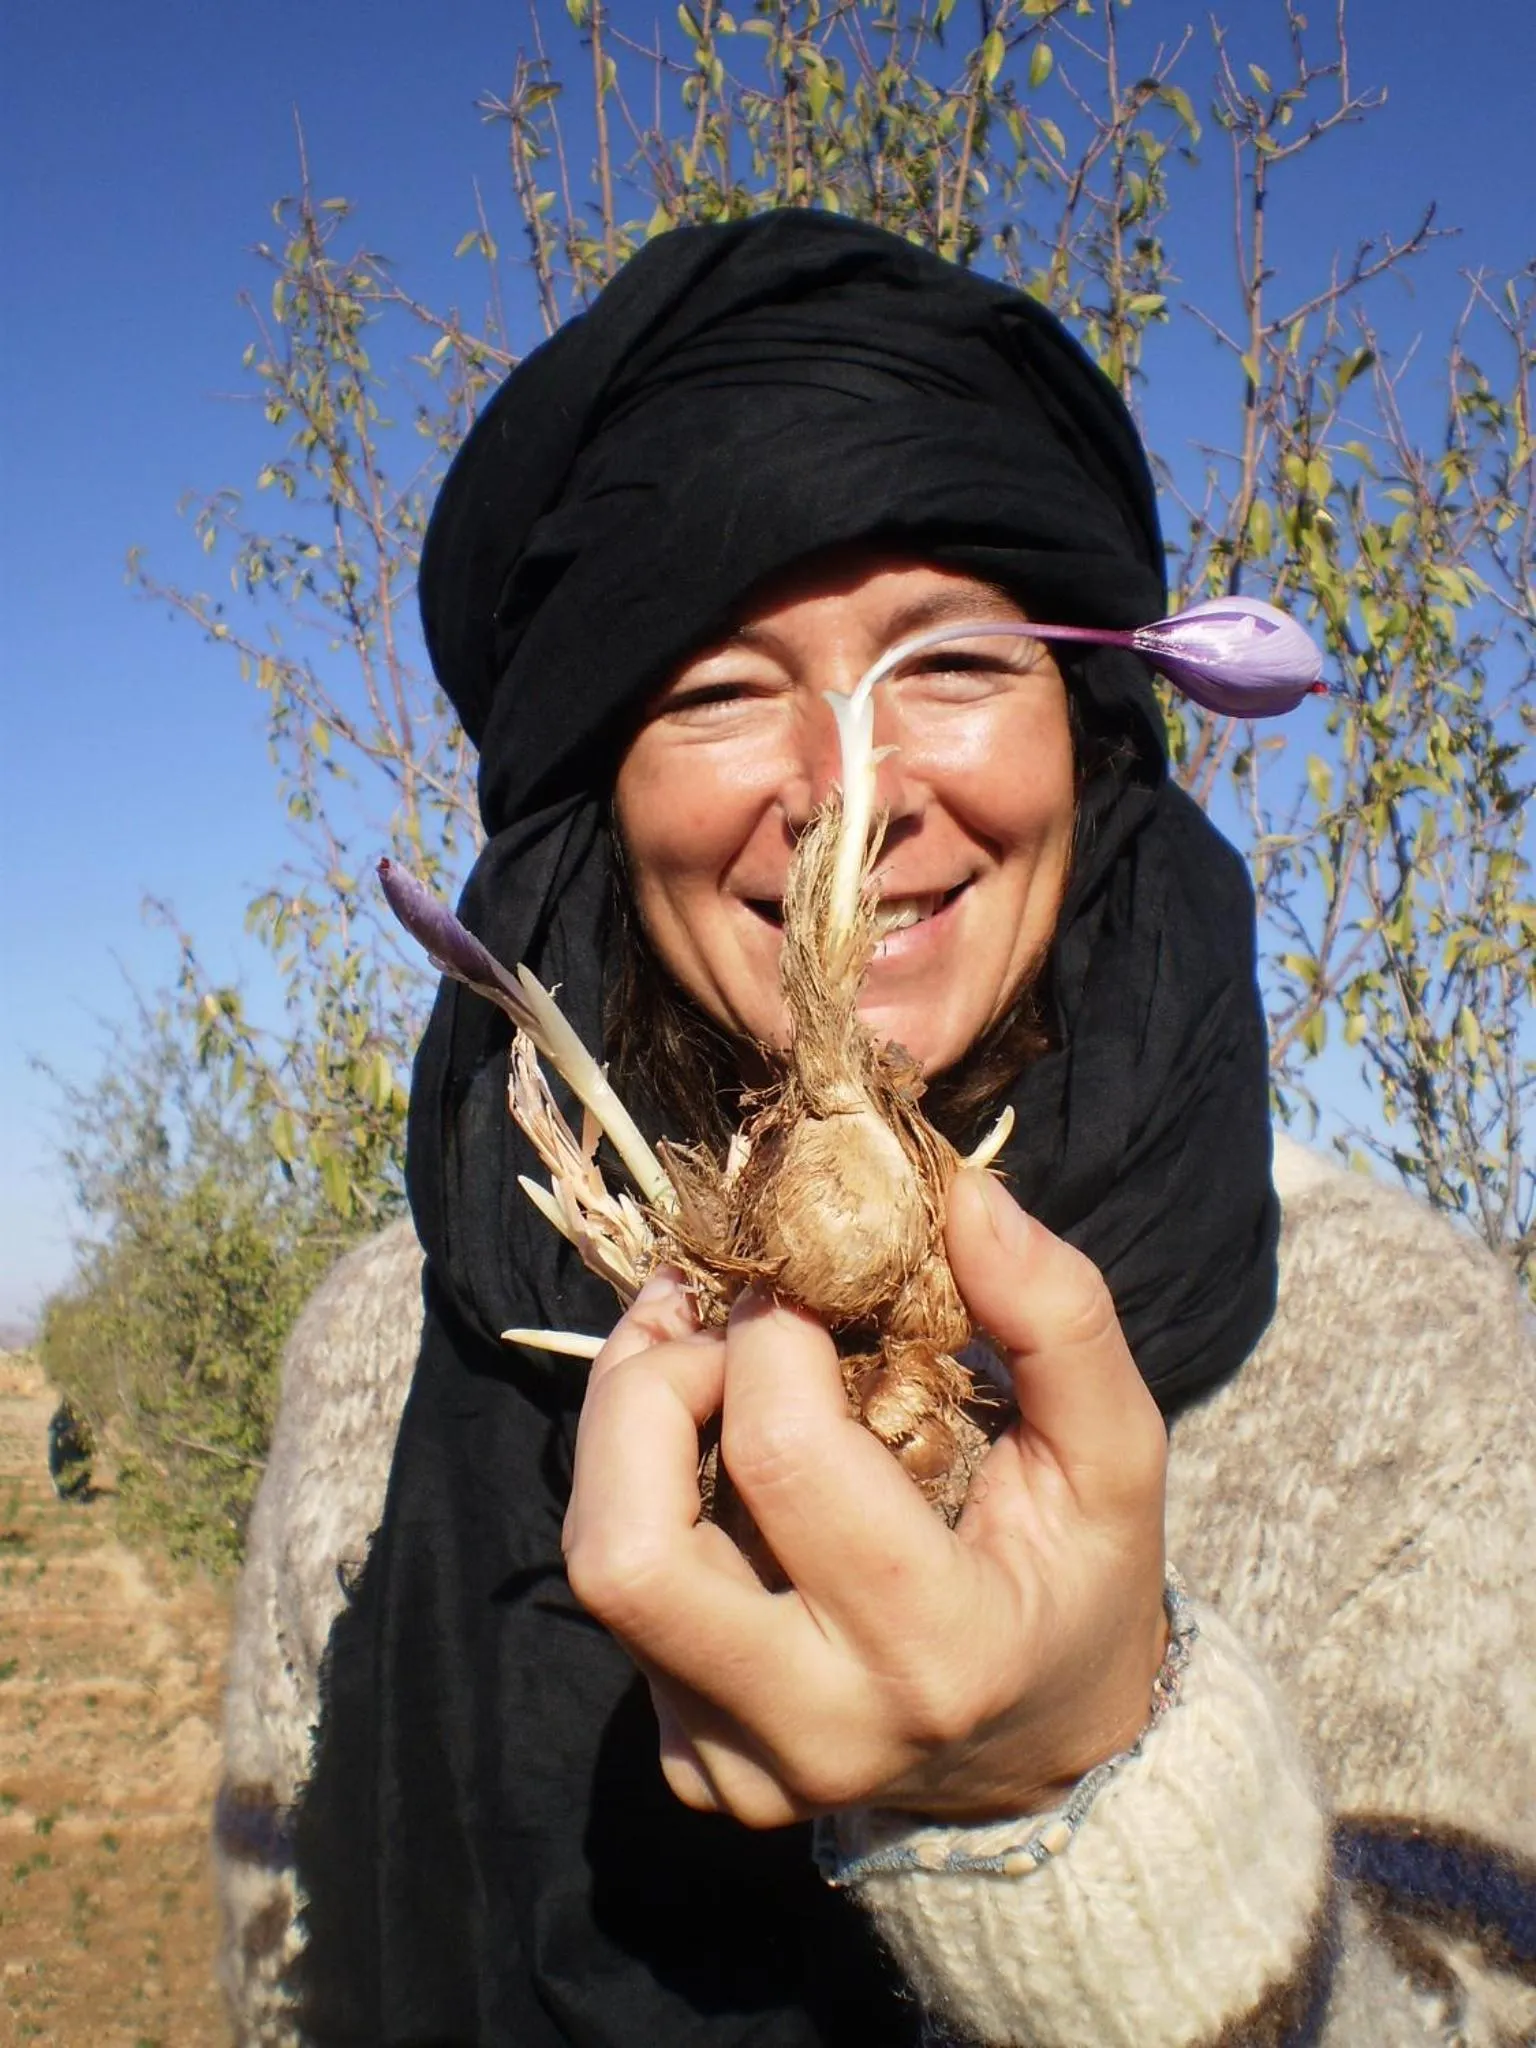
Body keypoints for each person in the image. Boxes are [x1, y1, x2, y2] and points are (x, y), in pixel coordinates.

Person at [216, 212, 1535, 2046]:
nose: (851, 794)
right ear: (590, 798)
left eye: (954, 661)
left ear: (1091, 724)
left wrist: (1069, 1796)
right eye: (718, 687)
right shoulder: (383, 1350)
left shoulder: (1421, 1379)